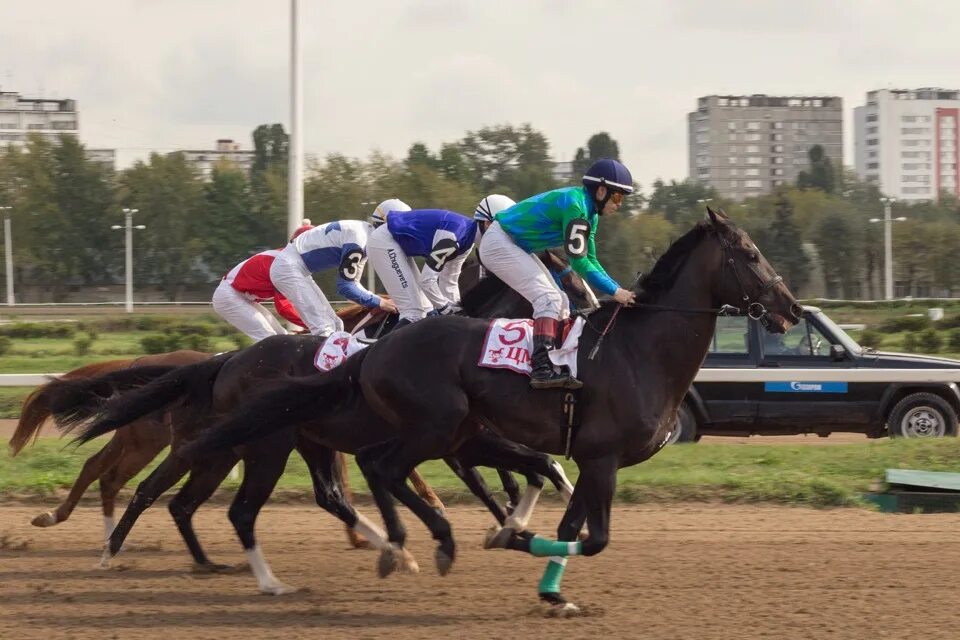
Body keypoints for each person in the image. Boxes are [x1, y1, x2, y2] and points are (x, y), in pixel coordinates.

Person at [478, 158, 637, 389]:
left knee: (561, 301)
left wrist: (617, 289)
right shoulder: (576, 206)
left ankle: (555, 362)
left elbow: (591, 260)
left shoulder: (589, 213)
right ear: (601, 190)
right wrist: (615, 291)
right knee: (549, 299)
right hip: (498, 242)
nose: (619, 204)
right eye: (617, 196)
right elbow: (580, 263)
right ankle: (540, 369)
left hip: (512, 243)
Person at [366, 196, 516, 328]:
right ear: (488, 224)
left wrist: (458, 309)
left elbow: (449, 280)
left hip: (393, 243)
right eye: (503, 231)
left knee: (425, 309)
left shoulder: (467, 241)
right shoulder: (455, 237)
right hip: (383, 242)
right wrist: (445, 309)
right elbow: (427, 280)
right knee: (413, 313)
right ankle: (382, 355)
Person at [269, 204, 401, 338]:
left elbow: (352, 286)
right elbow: (345, 287)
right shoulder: (358, 242)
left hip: (296, 268)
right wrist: (381, 302)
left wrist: (378, 301)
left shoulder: (364, 236)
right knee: (324, 329)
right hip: (288, 268)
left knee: (337, 325)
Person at [212, 222, 315, 341]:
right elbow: (284, 307)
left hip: (240, 297)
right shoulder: (285, 264)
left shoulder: (288, 259)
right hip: (229, 296)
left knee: (282, 336)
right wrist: (314, 324)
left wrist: (317, 322)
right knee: (270, 340)